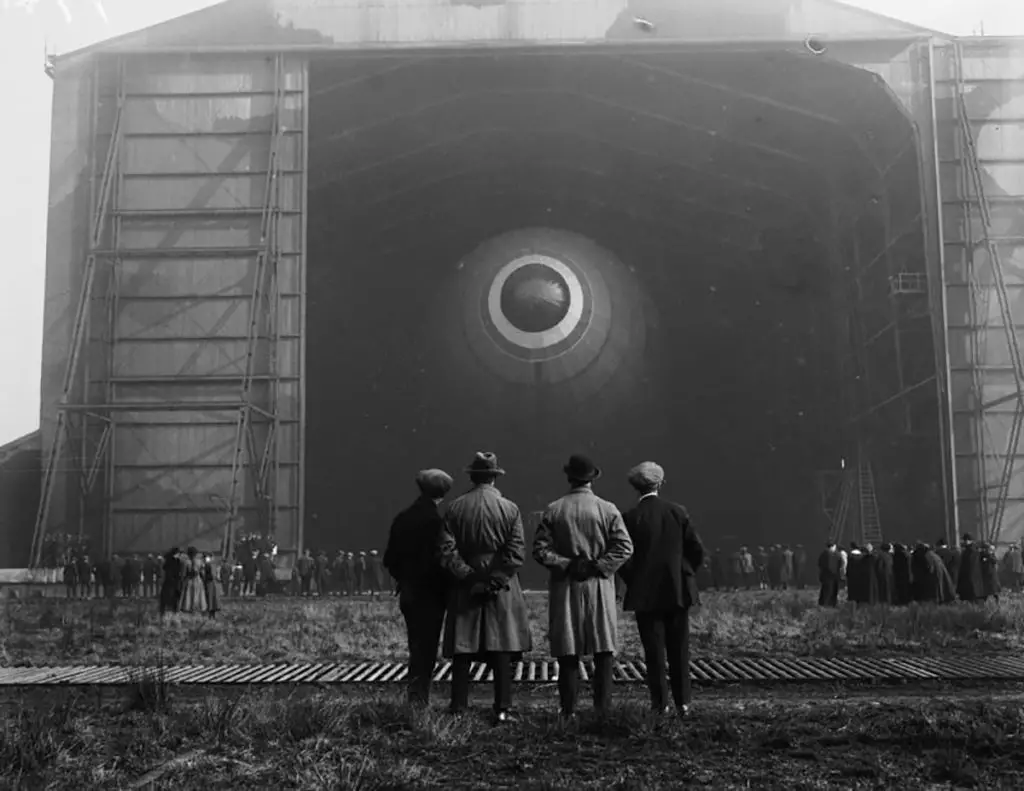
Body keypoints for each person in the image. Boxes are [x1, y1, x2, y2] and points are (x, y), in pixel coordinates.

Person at [532, 454, 634, 719]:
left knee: (568, 649)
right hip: (599, 586)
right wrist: (598, 565)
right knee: (603, 648)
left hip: (566, 587)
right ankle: (602, 710)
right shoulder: (608, 509)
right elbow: (624, 547)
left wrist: (567, 563)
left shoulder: (554, 509)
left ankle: (568, 711)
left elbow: (540, 550)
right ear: (592, 479)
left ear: (569, 477)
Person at [438, 452, 533, 724]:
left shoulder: (455, 508)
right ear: (494, 477)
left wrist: (468, 577)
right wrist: (495, 580)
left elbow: (446, 551)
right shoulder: (510, 508)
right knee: (501, 644)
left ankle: (458, 707)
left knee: (462, 645)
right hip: (502, 585)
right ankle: (502, 707)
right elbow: (516, 553)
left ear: (472, 476)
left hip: (465, 583)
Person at [618, 461, 704, 717]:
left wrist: (635, 580)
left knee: (653, 652)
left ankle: (660, 703)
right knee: (679, 649)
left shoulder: (630, 517)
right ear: (660, 483)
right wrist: (685, 573)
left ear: (635, 487)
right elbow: (696, 550)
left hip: (645, 595)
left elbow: (624, 557)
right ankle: (684, 702)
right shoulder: (678, 512)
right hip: (678, 591)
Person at [383, 468, 455, 706]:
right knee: (427, 649)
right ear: (442, 494)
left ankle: (415, 695)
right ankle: (419, 699)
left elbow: (389, 560)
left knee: (415, 645)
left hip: (409, 591)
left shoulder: (402, 519)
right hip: (431, 595)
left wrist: (405, 577)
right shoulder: (436, 522)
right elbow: (442, 559)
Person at [179, 547, 208, 613]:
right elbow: (203, 573)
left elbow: (183, 573)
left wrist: (182, 580)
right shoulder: (200, 561)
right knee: (198, 594)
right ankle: (198, 607)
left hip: (189, 579)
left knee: (188, 594)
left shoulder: (186, 562)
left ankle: (188, 607)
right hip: (197, 579)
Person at [159, 547, 183, 615]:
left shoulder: (170, 560)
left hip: (170, 581)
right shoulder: (174, 561)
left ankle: (168, 609)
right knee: (172, 595)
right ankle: (172, 610)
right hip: (172, 581)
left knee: (168, 595)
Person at [817, 541, 842, 607]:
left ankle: (823, 603)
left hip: (826, 575)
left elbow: (819, 564)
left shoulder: (823, 554)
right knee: (832, 590)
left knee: (825, 590)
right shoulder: (837, 554)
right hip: (834, 575)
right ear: (833, 546)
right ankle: (831, 603)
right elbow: (840, 564)